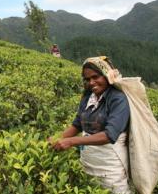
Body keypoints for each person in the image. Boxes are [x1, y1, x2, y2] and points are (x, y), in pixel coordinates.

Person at [49, 56, 131, 194]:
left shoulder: (118, 99)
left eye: (96, 77)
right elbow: (77, 125)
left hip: (110, 166)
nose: (91, 82)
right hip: (87, 161)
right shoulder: (88, 97)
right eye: (87, 79)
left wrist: (71, 141)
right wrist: (57, 138)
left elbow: (109, 135)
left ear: (106, 75)